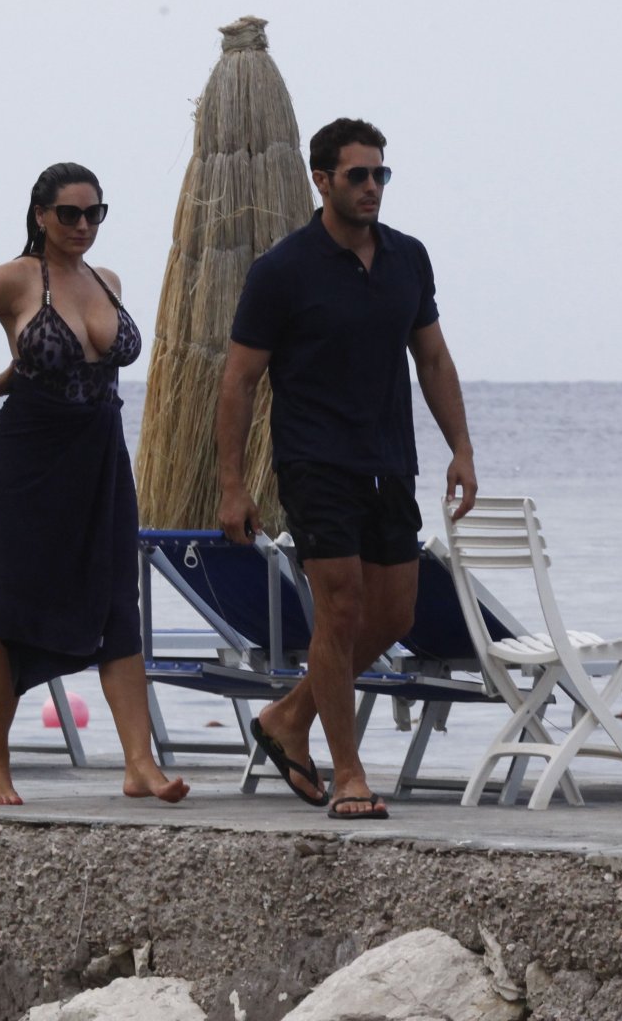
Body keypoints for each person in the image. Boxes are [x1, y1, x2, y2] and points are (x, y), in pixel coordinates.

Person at [217, 118, 476, 820]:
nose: (371, 186)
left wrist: (461, 448)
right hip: (314, 462)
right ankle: (350, 775)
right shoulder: (281, 270)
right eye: (357, 175)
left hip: (390, 461)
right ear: (322, 179)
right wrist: (234, 485)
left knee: (394, 613)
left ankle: (286, 716)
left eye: (379, 174)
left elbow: (432, 358)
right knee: (339, 611)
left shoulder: (407, 258)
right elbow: (238, 381)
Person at [0, 162, 189, 807]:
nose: (82, 225)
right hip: (29, 460)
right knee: (15, 608)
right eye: (69, 213)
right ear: (41, 215)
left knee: (117, 605)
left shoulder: (107, 280)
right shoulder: (16, 278)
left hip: (102, 457)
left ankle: (139, 764)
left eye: (94, 213)